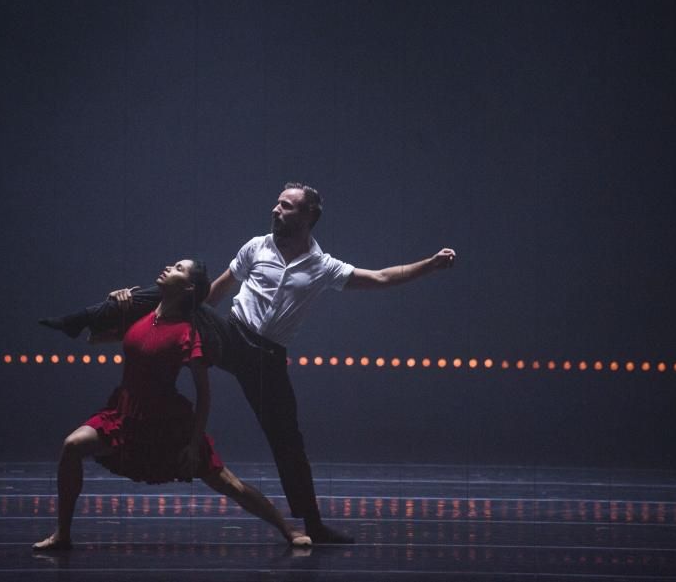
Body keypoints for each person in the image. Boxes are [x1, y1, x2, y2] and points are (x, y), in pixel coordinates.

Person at [112, 182, 456, 544]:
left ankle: (313, 524)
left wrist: (430, 265)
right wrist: (187, 315)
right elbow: (215, 290)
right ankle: (110, 313)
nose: (276, 210)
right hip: (232, 333)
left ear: (308, 216)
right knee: (184, 291)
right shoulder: (255, 247)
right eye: (276, 204)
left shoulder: (323, 266)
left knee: (288, 442)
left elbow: (382, 277)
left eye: (286, 206)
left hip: (266, 359)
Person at [33, 258, 310, 551]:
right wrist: (117, 303)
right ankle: (62, 534)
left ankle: (289, 529)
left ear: (189, 287)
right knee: (72, 446)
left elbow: (204, 395)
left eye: (178, 268)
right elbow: (94, 339)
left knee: (230, 485)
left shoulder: (188, 333)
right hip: (123, 413)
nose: (168, 267)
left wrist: (193, 444)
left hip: (166, 423)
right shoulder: (143, 316)